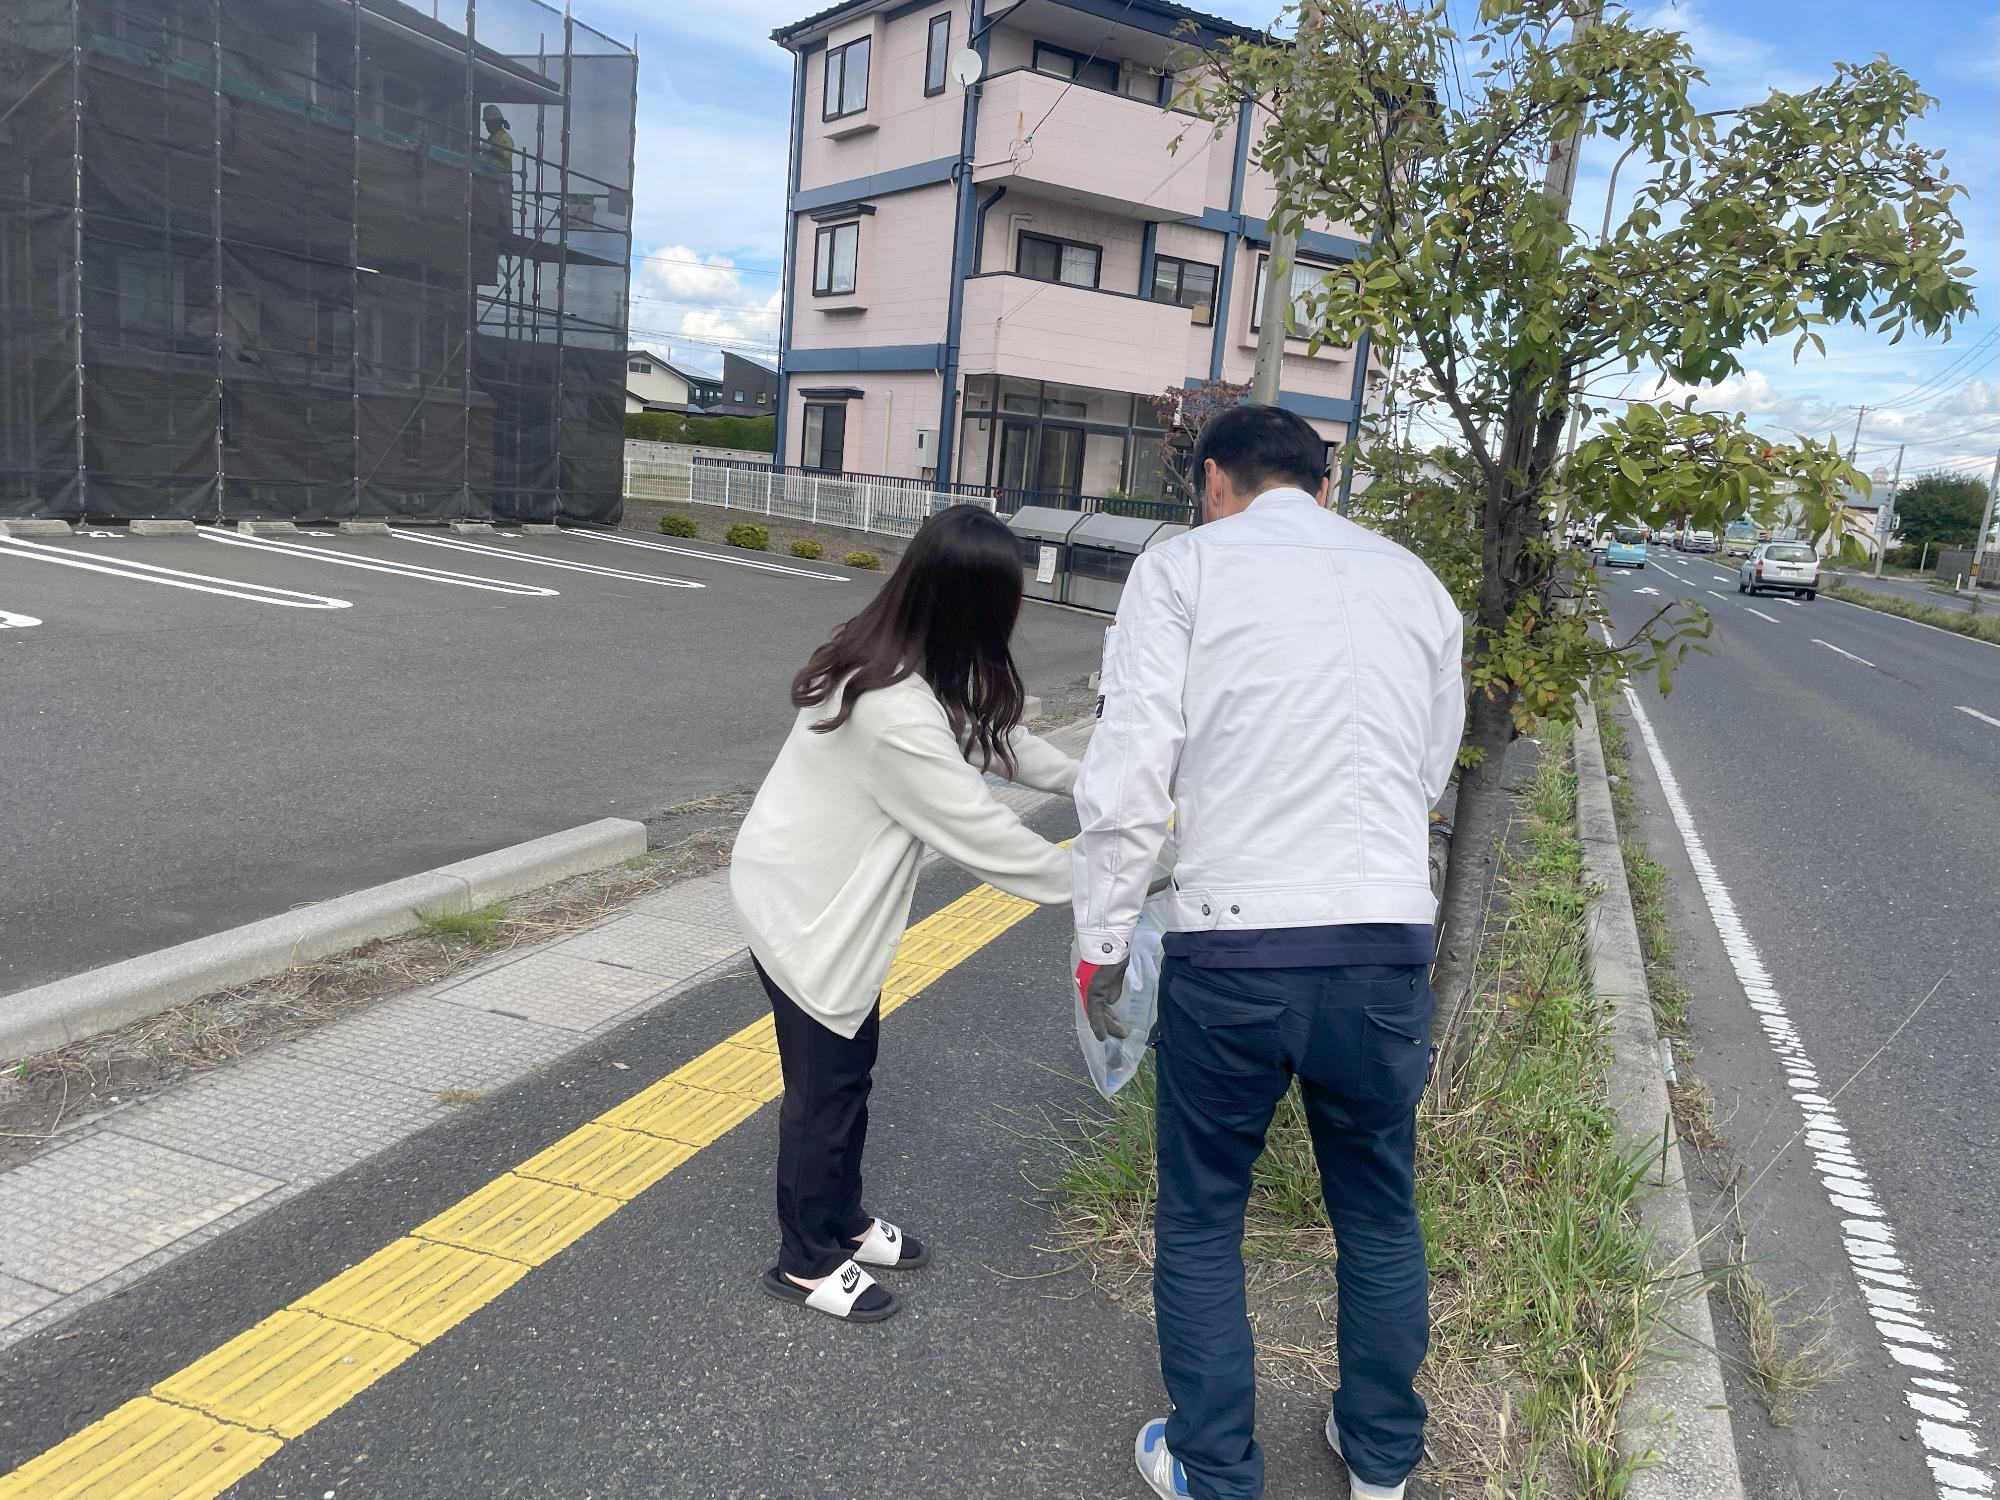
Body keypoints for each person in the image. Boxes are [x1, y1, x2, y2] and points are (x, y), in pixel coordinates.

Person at [1070, 406, 1464, 1500]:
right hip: (1383, 944)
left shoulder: (1183, 571)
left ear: (1211, 481)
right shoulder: (1416, 584)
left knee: (1202, 1214)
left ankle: (1214, 1470)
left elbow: (1129, 771)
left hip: (1232, 946)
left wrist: (1099, 942)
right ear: (1323, 487)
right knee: (1377, 1208)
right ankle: (1380, 1461)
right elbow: (1426, 769)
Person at [730, 505, 1079, 1324]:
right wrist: (1114, 881)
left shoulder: (903, 662)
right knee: (824, 1088)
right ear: (972, 606)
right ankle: (805, 1258)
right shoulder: (895, 710)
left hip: (815, 890)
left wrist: (1094, 786)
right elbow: (986, 835)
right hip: (806, 908)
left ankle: (841, 1219)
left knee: (849, 1067)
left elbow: (998, 740)